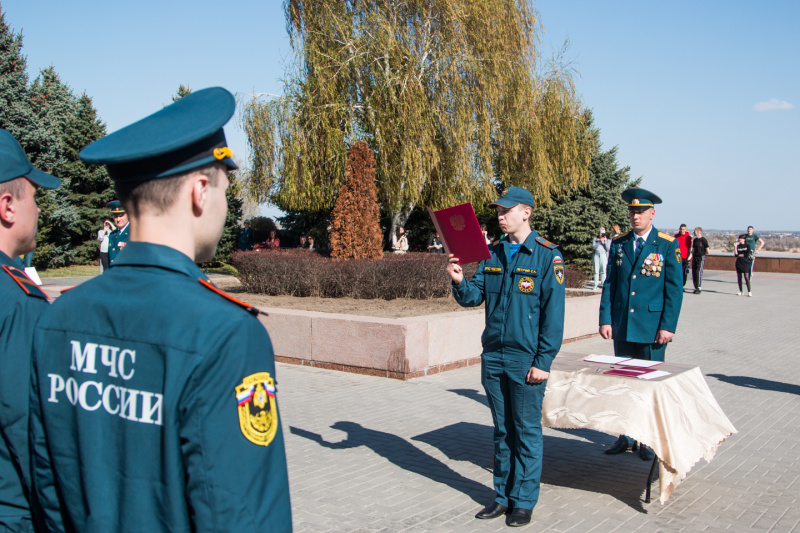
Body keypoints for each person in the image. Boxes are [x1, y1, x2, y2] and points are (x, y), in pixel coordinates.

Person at [28, 87, 292, 531]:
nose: (225, 207)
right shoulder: (226, 333)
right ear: (200, 190)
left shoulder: (58, 318)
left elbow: (48, 486)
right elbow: (241, 514)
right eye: (225, 189)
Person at [447, 186, 565, 527]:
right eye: (498, 211)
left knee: (526, 431)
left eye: (506, 210)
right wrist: (459, 281)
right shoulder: (493, 253)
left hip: (526, 360)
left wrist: (543, 363)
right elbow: (474, 297)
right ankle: (502, 496)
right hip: (494, 357)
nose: (500, 216)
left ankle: (524, 501)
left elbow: (553, 318)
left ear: (526, 212)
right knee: (502, 431)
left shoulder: (546, 255)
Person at [0, 128, 61, 531]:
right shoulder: (18, 300)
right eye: (35, 197)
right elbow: (26, 427)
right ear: (7, 206)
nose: (39, 209)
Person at [599, 188, 683, 460]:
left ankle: (648, 439)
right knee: (624, 383)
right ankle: (626, 435)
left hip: (652, 328)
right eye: (632, 212)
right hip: (623, 325)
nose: (635, 216)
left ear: (652, 214)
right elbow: (610, 283)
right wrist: (605, 319)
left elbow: (674, 290)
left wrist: (668, 326)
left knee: (648, 384)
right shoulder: (620, 243)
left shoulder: (666, 244)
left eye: (641, 212)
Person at [106, 200, 130, 267]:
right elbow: (110, 260)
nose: (118, 219)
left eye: (121, 215)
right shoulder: (112, 235)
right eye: (115, 216)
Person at [691, 226, 710, 293]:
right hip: (695, 257)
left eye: (695, 231)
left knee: (698, 272)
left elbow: (708, 251)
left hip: (700, 257)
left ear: (698, 231)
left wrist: (702, 254)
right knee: (694, 272)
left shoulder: (703, 240)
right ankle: (695, 287)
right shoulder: (695, 240)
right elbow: (693, 250)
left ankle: (699, 287)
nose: (693, 232)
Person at [674, 224, 692, 290]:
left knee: (683, 272)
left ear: (686, 230)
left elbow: (689, 248)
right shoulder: (676, 236)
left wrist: (688, 258)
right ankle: (678, 285)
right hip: (677, 257)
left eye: (683, 229)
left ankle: (682, 285)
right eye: (681, 229)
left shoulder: (688, 237)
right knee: (677, 272)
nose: (682, 230)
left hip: (684, 257)